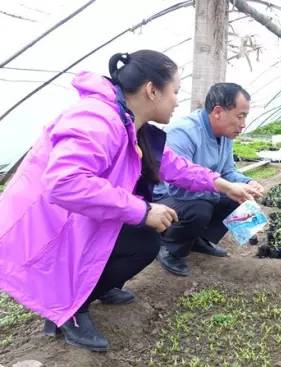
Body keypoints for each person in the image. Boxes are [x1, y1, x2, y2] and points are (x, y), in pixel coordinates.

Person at [0, 50, 258, 351]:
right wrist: (141, 209)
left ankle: (101, 286)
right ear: (151, 90)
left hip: (86, 212)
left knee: (154, 235)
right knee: (155, 235)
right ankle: (67, 311)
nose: (177, 101)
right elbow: (64, 182)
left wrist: (222, 184)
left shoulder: (130, 123)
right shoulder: (97, 118)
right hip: (50, 224)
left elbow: (172, 165)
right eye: (174, 91)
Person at [153, 83, 264, 276]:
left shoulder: (225, 134)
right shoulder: (183, 132)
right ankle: (170, 247)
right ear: (218, 112)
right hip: (167, 196)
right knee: (200, 209)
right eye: (240, 116)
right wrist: (224, 188)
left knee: (242, 197)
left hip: (203, 192)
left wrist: (246, 183)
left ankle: (199, 240)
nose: (243, 124)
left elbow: (228, 171)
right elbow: (178, 188)